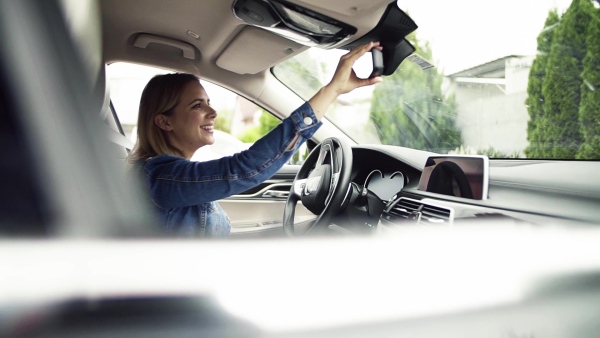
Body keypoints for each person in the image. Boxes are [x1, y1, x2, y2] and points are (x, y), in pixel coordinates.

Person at [129, 41, 383, 237]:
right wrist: (332, 90)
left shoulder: (164, 176)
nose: (213, 112)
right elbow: (245, 169)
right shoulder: (159, 177)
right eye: (197, 106)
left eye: (209, 103)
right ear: (164, 122)